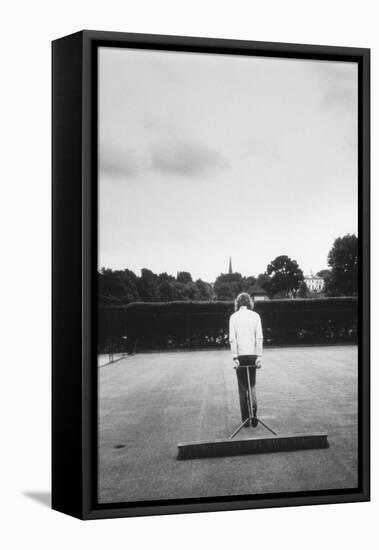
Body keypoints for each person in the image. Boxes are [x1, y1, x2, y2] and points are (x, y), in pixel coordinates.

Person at [229, 292, 263, 427]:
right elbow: (259, 337)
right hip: (253, 355)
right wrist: (259, 357)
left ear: (238, 303)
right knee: (252, 385)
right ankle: (254, 416)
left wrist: (234, 357)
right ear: (249, 302)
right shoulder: (256, 316)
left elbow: (232, 338)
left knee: (242, 388)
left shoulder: (233, 317)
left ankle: (245, 420)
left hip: (241, 356)